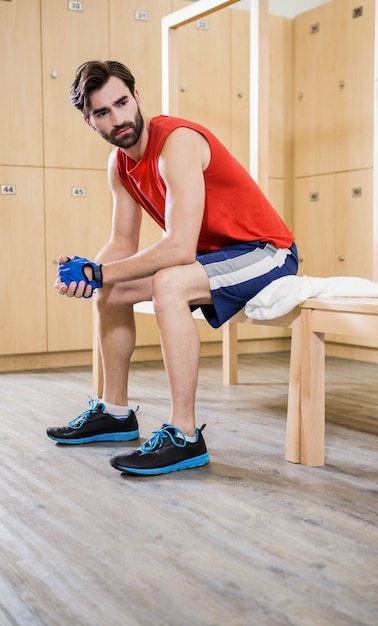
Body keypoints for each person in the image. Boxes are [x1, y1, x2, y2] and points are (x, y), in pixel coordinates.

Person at [47, 60, 298, 476]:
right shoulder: (120, 165)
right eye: (103, 112)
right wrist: (91, 270)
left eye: (122, 102)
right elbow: (122, 242)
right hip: (211, 259)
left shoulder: (176, 142)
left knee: (168, 283)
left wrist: (103, 272)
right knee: (114, 290)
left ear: (137, 97)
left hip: (265, 251)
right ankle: (115, 412)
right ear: (90, 123)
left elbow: (180, 248)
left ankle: (184, 435)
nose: (119, 118)